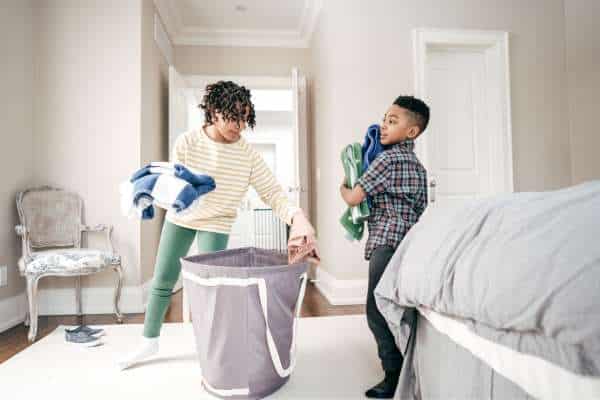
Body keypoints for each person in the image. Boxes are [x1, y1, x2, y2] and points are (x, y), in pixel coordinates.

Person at [118, 80, 314, 370]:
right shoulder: (187, 142)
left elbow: (272, 193)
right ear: (213, 111)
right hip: (182, 218)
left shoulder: (247, 154)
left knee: (214, 289)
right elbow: (176, 188)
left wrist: (298, 218)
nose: (239, 125)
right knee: (163, 279)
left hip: (218, 222)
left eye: (244, 117)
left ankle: (216, 346)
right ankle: (149, 341)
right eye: (232, 117)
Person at [339, 95, 429, 398]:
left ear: (411, 131)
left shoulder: (386, 160)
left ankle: (393, 376)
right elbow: (420, 212)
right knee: (401, 307)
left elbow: (354, 197)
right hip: (411, 245)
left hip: (386, 245)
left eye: (393, 121)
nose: (384, 125)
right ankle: (414, 366)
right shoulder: (419, 168)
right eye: (384, 119)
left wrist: (344, 182)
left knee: (377, 310)